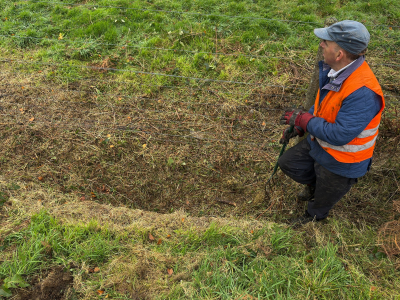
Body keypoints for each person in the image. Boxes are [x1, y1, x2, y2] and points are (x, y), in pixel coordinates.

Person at [278, 20, 385, 226]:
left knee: (323, 199)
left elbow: (340, 135)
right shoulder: (336, 71)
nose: (321, 45)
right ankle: (314, 185)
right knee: (288, 163)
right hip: (321, 144)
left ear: (339, 54)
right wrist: (301, 125)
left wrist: (305, 120)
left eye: (325, 42)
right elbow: (323, 105)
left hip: (343, 161)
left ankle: (314, 217)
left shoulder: (363, 92)